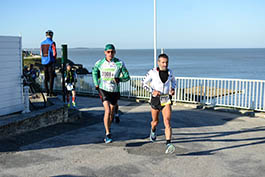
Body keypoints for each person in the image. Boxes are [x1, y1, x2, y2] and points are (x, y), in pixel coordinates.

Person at [92, 44, 130, 143]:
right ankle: (108, 133)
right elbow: (94, 71)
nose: (110, 54)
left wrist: (119, 79)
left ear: (115, 52)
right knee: (107, 110)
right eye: (108, 52)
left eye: (112, 52)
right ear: (105, 52)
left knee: (112, 111)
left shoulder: (120, 63)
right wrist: (96, 83)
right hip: (103, 89)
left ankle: (110, 125)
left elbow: (127, 77)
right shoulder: (99, 63)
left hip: (114, 90)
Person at [142, 53, 176, 154]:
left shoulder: (170, 72)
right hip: (155, 99)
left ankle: (168, 143)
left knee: (167, 121)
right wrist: (152, 91)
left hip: (165, 98)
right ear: (158, 62)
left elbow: (174, 82)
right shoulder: (152, 72)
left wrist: (173, 89)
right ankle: (153, 130)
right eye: (163, 62)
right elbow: (143, 83)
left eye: (166, 62)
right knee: (155, 121)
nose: (165, 65)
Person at [40, 30, 57, 97]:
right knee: (51, 77)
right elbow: (54, 53)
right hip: (50, 62)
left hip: (44, 62)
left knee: (46, 77)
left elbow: (41, 53)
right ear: (52, 35)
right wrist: (54, 59)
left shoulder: (42, 43)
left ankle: (46, 91)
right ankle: (51, 92)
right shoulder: (52, 43)